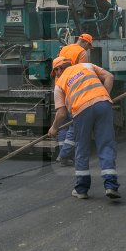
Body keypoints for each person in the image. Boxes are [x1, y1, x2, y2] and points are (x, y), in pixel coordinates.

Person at [47, 56, 120, 199]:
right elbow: (110, 76)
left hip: (81, 110)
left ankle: (82, 189)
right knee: (106, 144)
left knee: (82, 147)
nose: (56, 76)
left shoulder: (59, 84)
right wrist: (103, 95)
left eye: (55, 73)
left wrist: (54, 128)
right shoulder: (86, 65)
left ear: (58, 69)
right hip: (103, 104)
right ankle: (111, 185)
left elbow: (61, 113)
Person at [54, 34, 94, 166]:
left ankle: (64, 154)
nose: (88, 49)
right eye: (89, 46)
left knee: (62, 121)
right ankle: (64, 155)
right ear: (85, 42)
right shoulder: (82, 52)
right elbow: (82, 72)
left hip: (59, 86)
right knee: (75, 122)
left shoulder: (64, 48)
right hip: (72, 88)